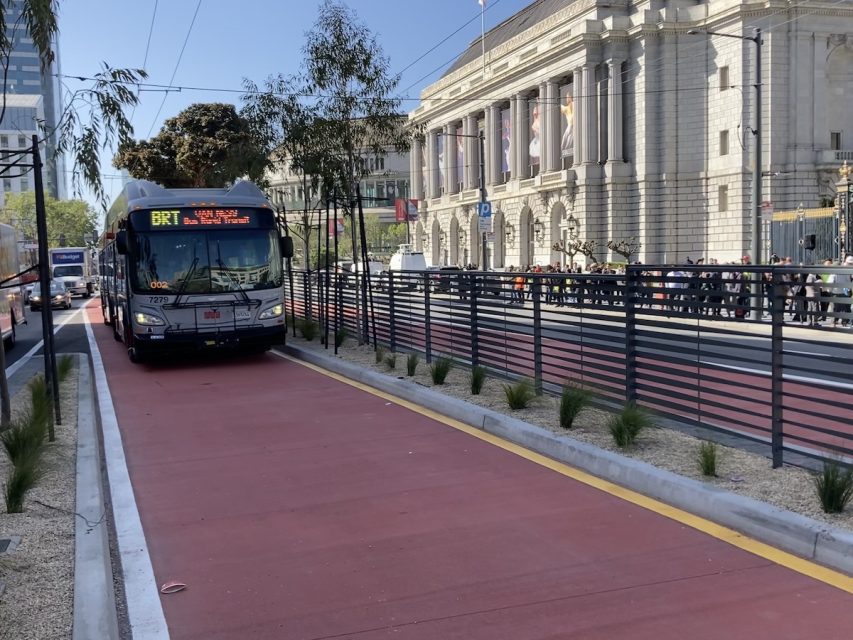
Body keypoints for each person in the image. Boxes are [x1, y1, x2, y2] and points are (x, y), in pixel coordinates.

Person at [560, 92, 574, 157]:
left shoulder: (574, 104)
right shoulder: (567, 108)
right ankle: (563, 149)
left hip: (573, 126)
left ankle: (565, 149)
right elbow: (561, 107)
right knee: (566, 137)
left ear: (571, 98)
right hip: (571, 125)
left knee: (569, 138)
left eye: (568, 97)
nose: (567, 99)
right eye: (566, 98)